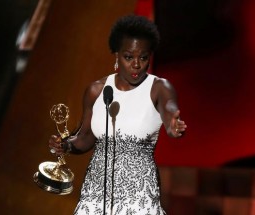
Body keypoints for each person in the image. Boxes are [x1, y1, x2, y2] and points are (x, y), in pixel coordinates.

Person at [49, 15, 187, 215]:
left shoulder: (159, 88)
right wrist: (66, 145)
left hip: (139, 195)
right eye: (129, 57)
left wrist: (174, 125)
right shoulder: (97, 91)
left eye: (144, 57)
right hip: (96, 193)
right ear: (116, 55)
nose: (137, 64)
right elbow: (86, 137)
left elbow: (170, 111)